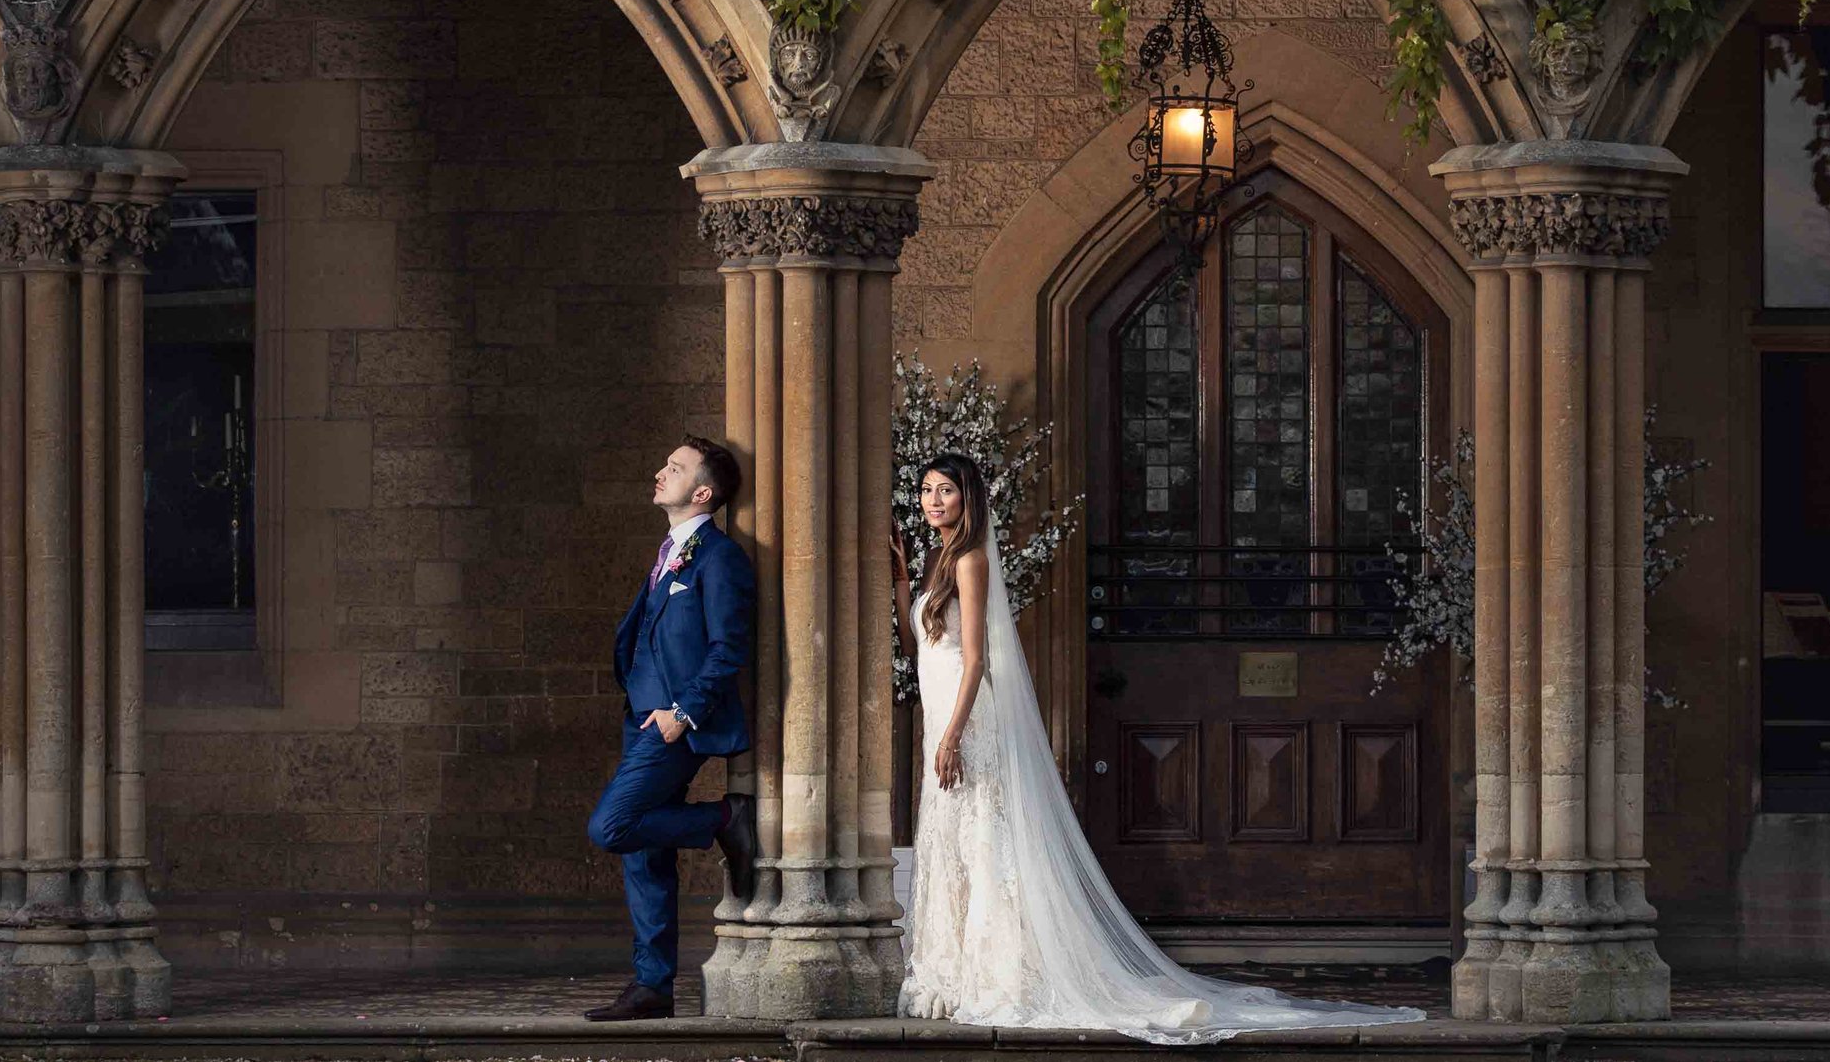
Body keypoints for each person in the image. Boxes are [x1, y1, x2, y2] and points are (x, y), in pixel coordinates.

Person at [890, 451, 1425, 1043]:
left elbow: (975, 660)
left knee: (985, 846)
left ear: (968, 499)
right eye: (926, 490)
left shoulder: (968, 561)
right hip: (942, 717)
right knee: (955, 846)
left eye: (946, 490)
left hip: (967, 726)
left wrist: (954, 733)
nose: (933, 500)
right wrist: (898, 582)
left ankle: (996, 974)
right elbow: (924, 651)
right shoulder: (937, 562)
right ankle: (955, 973)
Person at [583, 436, 761, 1022]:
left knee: (613, 826)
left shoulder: (719, 557)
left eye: (676, 468)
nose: (661, 471)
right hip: (639, 718)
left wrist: (682, 713)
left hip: (673, 725)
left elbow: (728, 648)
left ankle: (723, 819)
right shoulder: (670, 552)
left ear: (703, 492)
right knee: (644, 854)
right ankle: (653, 986)